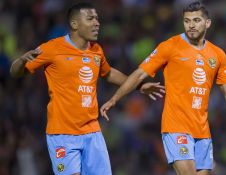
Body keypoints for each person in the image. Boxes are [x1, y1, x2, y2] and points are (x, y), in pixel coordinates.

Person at [100, 1, 226, 175]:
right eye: (187, 21)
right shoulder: (170, 46)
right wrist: (115, 98)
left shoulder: (218, 55)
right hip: (175, 127)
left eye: (196, 20)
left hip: (202, 131)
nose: (191, 25)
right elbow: (139, 74)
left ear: (207, 23)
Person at [10, 2, 164, 175]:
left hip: (92, 132)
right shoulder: (52, 49)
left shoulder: (96, 51)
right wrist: (21, 60)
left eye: (97, 18)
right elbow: (15, 72)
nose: (97, 23)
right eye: (90, 18)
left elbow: (109, 73)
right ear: (75, 24)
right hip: (63, 134)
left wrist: (139, 86)